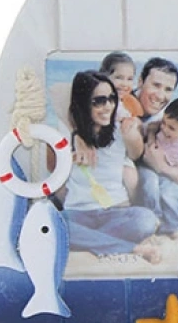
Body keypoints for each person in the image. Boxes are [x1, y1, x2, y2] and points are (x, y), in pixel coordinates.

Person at [60, 71, 161, 263]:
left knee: (146, 219)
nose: (108, 106)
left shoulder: (122, 130)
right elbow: (57, 91)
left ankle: (91, 241)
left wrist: (133, 131)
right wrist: (76, 135)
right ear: (83, 103)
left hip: (115, 212)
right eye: (98, 101)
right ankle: (131, 247)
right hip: (77, 214)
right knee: (57, 222)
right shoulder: (66, 133)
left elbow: (136, 153)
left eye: (112, 99)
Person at [141, 96, 178, 238]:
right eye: (164, 123)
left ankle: (173, 225)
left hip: (163, 169)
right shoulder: (165, 124)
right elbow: (151, 128)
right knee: (150, 184)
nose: (165, 129)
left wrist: (161, 166)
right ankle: (154, 217)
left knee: (168, 193)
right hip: (147, 165)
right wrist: (151, 139)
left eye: (171, 128)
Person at [98, 52, 143, 199]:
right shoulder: (99, 100)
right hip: (101, 152)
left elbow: (137, 121)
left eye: (130, 79)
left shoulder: (129, 102)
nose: (125, 84)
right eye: (119, 77)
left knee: (131, 176)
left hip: (120, 153)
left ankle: (133, 203)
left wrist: (134, 122)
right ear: (104, 76)